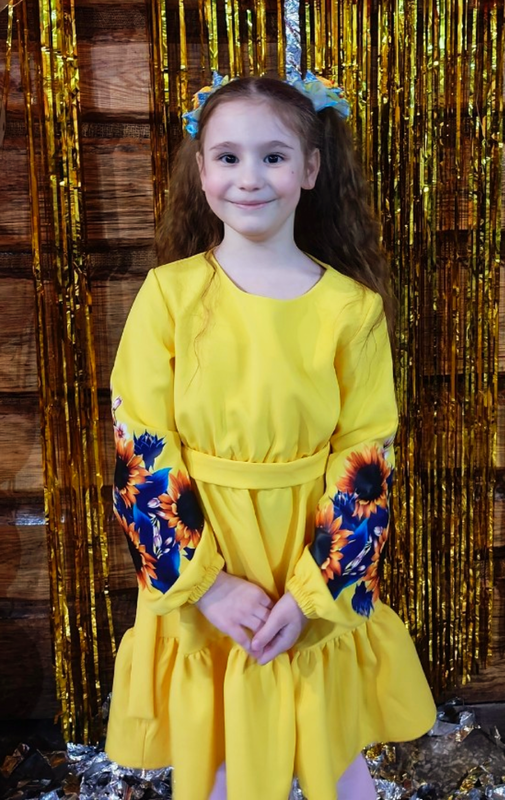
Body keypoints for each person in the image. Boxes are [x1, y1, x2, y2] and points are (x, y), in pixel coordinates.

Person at [105, 73, 436, 800]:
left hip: (304, 560)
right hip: (209, 553)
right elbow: (140, 447)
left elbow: (365, 456)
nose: (248, 177)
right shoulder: (170, 295)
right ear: (201, 170)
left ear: (310, 169)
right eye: (228, 157)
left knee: (326, 745)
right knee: (222, 753)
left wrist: (313, 592)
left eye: (273, 157)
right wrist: (206, 587)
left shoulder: (351, 310)